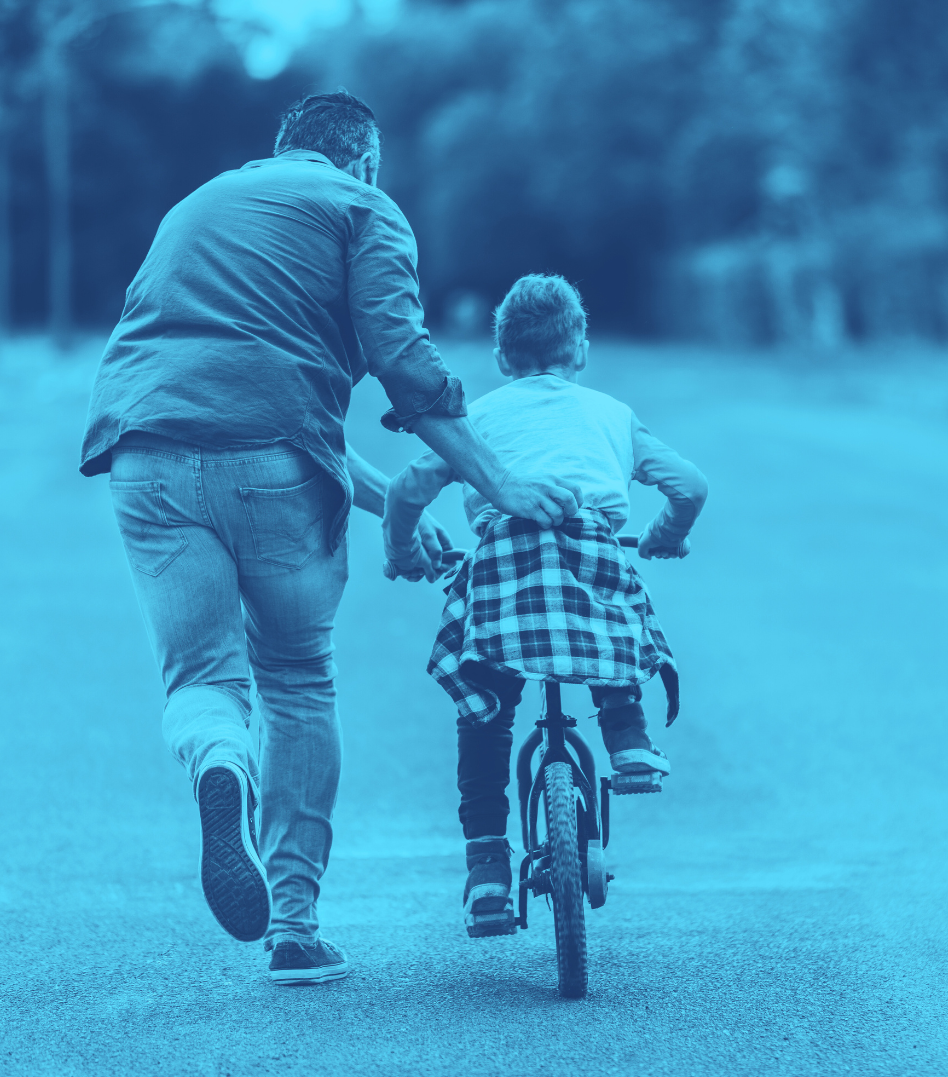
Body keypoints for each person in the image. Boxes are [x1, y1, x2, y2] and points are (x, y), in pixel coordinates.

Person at [78, 94, 582, 983]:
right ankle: (294, 929)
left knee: (202, 680)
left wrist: (402, 504)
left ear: (282, 151)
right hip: (271, 465)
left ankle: (220, 765)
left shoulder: (199, 206)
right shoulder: (363, 208)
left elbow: (263, 403)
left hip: (143, 454)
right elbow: (402, 361)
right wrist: (499, 483)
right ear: (367, 162)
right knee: (297, 678)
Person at [382, 273, 708, 938]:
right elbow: (690, 486)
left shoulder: (475, 421)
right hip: (591, 566)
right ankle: (628, 737)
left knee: (487, 719)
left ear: (502, 359)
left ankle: (487, 875)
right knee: (617, 603)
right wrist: (663, 535)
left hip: (508, 581)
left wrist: (403, 548)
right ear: (579, 349)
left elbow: (408, 487)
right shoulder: (612, 414)